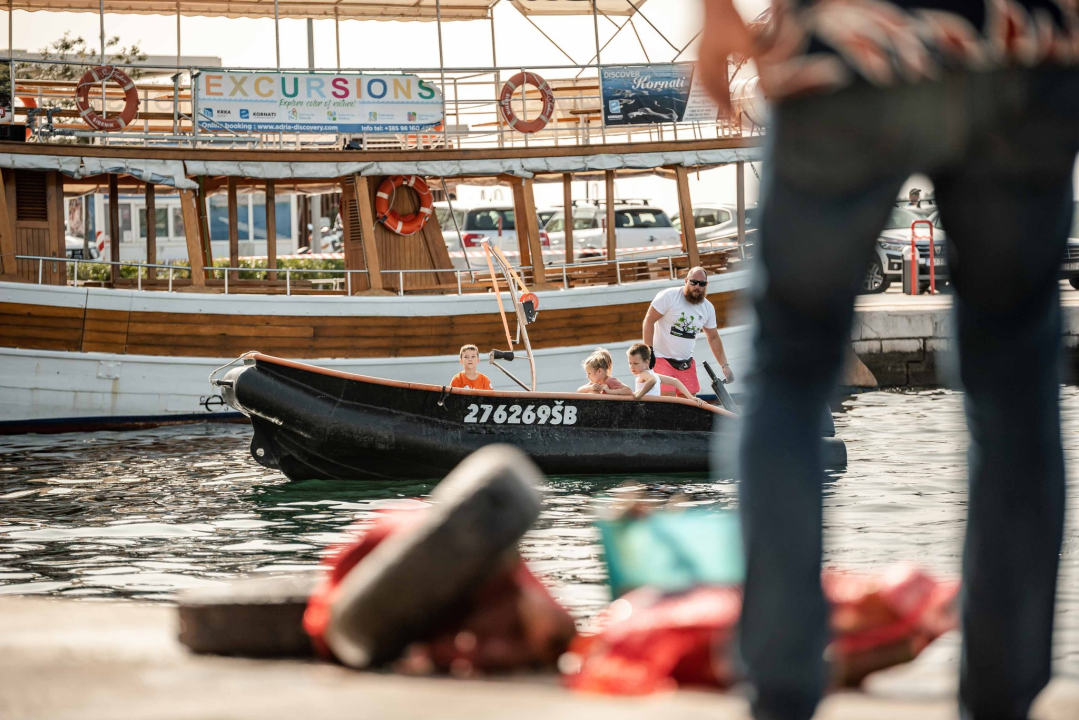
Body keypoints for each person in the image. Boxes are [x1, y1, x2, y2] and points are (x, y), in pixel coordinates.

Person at [697, 1, 1079, 718]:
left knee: (790, 368)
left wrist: (717, 14)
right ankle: (1005, 693)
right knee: (1015, 376)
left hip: (846, 49)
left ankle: (779, 687)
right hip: (1021, 51)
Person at [642, 266, 734, 397]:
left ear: (706, 284)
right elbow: (649, 320)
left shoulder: (708, 308)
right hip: (661, 359)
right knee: (667, 401)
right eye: (693, 282)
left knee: (690, 403)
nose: (697, 286)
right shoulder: (669, 296)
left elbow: (713, 337)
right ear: (686, 281)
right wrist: (649, 353)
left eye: (701, 284)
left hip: (686, 363)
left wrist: (724, 365)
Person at [626, 342, 704, 406]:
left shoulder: (644, 374)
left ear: (646, 362)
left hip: (648, 408)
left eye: (636, 363)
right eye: (630, 363)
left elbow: (652, 381)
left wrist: (638, 396)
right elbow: (675, 381)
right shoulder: (655, 375)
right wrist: (690, 397)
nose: (632, 367)